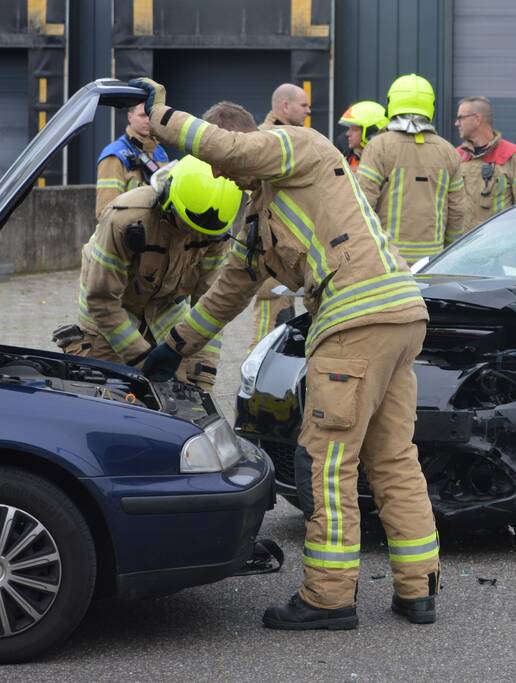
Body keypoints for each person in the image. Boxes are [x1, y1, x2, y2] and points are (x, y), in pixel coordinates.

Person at [130, 78, 441, 630]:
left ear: (239, 137)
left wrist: (159, 116)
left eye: (221, 163)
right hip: (399, 315)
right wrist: (173, 348)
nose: (221, 175)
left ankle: (328, 598)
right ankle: (419, 590)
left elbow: (228, 150)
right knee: (393, 457)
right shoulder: (261, 214)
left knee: (326, 464)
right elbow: (230, 289)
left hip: (355, 319)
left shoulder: (293, 144)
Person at [61, 155, 240, 391]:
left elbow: (209, 306)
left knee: (185, 390)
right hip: (110, 308)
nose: (191, 236)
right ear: (167, 203)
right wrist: (141, 358)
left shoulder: (216, 231)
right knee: (109, 391)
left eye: (201, 234)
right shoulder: (125, 219)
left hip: (166, 308)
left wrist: (202, 371)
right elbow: (102, 300)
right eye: (185, 226)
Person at [356, 74, 466, 264]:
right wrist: (447, 255)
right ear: (430, 105)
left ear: (392, 102)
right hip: (432, 261)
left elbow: (362, 204)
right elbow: (458, 212)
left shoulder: (379, 146)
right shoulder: (448, 151)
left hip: (388, 260)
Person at [249, 84, 311, 348]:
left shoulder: (294, 137)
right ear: (285, 106)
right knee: (267, 328)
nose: (309, 111)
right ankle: (252, 382)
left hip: (291, 249)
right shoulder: (265, 140)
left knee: (286, 324)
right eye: (304, 105)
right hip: (271, 246)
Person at [454, 96, 516, 230]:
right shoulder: (455, 157)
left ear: (477, 119)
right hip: (464, 247)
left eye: (460, 118)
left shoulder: (514, 157)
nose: (456, 123)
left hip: (499, 245)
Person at [95, 102, 169, 219]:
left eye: (151, 116)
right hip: (130, 231)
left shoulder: (160, 152)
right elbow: (105, 212)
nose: (148, 121)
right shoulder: (114, 155)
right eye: (142, 115)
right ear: (130, 117)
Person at [338, 100, 388, 171]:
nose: (347, 134)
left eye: (354, 129)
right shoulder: (345, 160)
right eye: (349, 129)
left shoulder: (387, 161)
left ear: (371, 132)